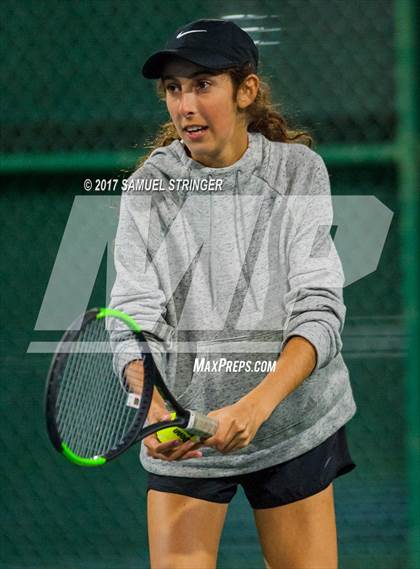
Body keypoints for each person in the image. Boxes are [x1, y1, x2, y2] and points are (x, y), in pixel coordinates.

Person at [109, 18, 357, 569]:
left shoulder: (298, 172)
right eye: (174, 89)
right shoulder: (149, 188)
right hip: (186, 432)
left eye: (202, 85)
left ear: (245, 91)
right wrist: (151, 405)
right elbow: (132, 312)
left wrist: (256, 406)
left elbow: (318, 307)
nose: (185, 104)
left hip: (293, 423)